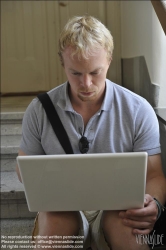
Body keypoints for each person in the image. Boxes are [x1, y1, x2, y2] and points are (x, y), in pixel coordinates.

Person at [16, 16, 166, 250]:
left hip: (118, 208)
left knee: (127, 226)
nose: (86, 84)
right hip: (61, 207)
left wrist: (154, 203)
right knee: (55, 222)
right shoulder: (39, 110)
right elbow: (24, 166)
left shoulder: (138, 110)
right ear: (62, 64)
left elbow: (154, 175)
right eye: (75, 73)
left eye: (95, 72)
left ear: (109, 60)